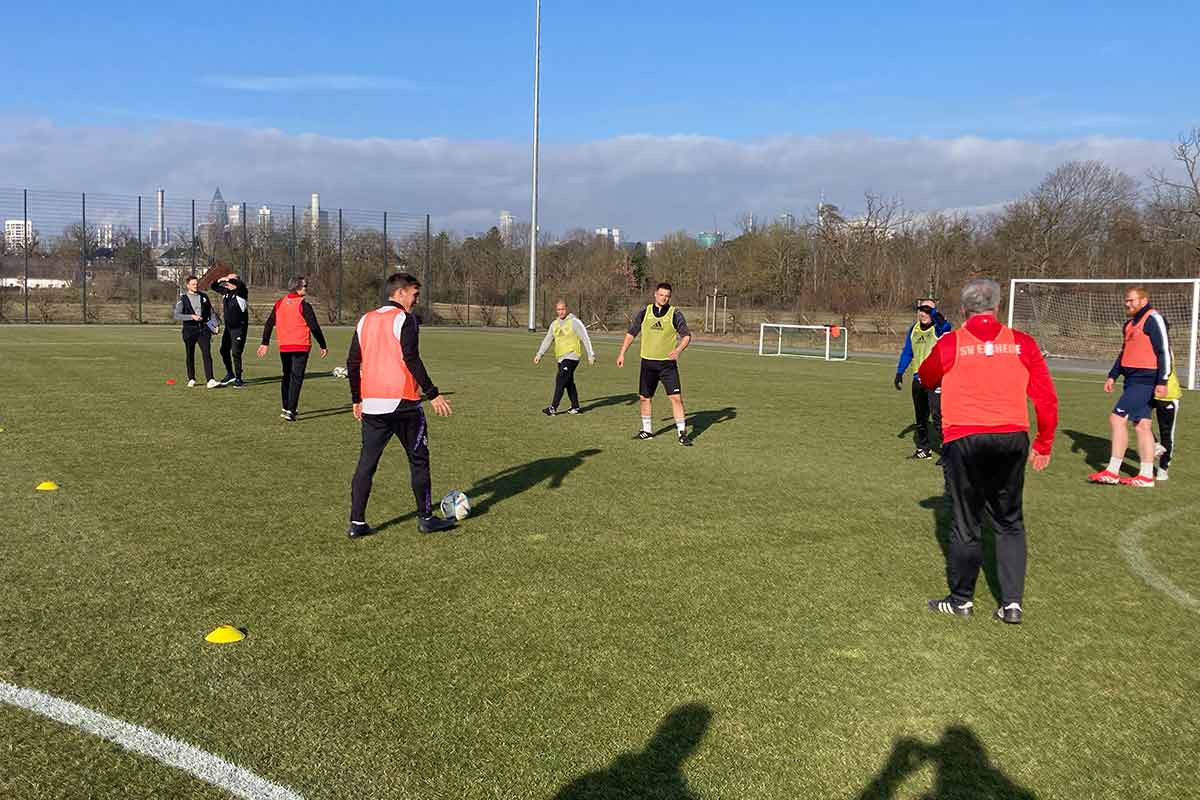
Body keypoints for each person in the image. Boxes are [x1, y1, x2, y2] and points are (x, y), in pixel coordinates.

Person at [917, 278, 1058, 625]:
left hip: (965, 437)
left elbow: (926, 376)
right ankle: (1011, 604)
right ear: (998, 308)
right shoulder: (1022, 343)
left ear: (965, 310)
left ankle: (962, 599)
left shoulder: (953, 343)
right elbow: (1046, 398)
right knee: (1010, 520)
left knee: (967, 520)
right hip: (1011, 437)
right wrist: (1044, 443)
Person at [346, 272, 455, 537]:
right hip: (404, 402)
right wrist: (433, 393)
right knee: (418, 460)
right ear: (401, 293)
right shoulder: (404, 319)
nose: (417, 299)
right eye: (415, 294)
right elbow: (411, 358)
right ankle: (426, 518)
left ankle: (357, 523)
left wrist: (357, 399)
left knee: (366, 463)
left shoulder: (365, 319)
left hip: (372, 404)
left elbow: (352, 362)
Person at [1087, 287, 1170, 487]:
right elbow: (1124, 352)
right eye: (1126, 300)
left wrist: (1163, 380)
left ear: (1143, 300)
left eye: (1131, 300)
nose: (1127, 304)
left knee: (1117, 418)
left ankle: (1113, 471)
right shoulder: (1129, 324)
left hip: (1146, 380)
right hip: (1131, 380)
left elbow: (1163, 351)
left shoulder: (1154, 319)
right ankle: (1146, 476)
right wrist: (1112, 376)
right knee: (1142, 426)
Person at [616, 282, 693, 446]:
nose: (664, 298)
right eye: (661, 295)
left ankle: (682, 433)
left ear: (669, 297)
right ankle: (647, 431)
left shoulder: (675, 314)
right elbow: (632, 333)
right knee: (644, 398)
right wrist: (622, 353)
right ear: (655, 294)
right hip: (648, 364)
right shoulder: (645, 312)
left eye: (667, 296)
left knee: (676, 399)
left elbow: (686, 336)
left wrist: (678, 351)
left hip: (667, 366)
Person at [257, 276, 328, 421]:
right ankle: (291, 410)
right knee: (296, 378)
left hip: (284, 346)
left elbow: (269, 323)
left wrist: (265, 343)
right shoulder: (303, 304)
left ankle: (286, 407)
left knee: (287, 375)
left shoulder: (280, 303)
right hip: (301, 346)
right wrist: (323, 344)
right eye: (305, 286)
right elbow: (314, 326)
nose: (306, 288)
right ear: (298, 287)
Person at [895, 297, 953, 459]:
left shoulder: (939, 328)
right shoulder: (914, 329)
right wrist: (900, 372)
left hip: (936, 380)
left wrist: (931, 311)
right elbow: (908, 352)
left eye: (928, 311)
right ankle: (924, 449)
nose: (923, 314)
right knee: (920, 417)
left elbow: (946, 325)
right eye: (921, 310)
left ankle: (948, 452)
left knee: (938, 418)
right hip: (918, 379)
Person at [534, 300, 596, 415]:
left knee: (561, 378)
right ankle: (575, 406)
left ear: (566, 309)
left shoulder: (574, 322)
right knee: (568, 382)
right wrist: (539, 354)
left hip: (572, 356)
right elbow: (548, 339)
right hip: (560, 357)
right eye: (558, 309)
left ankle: (553, 407)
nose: (561, 312)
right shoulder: (554, 324)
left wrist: (590, 354)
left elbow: (585, 338)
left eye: (562, 309)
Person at [172, 275, 218, 389]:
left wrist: (215, 324)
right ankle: (191, 378)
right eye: (193, 284)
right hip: (189, 331)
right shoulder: (183, 299)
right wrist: (191, 317)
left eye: (197, 284)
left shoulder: (204, 296)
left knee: (207, 353)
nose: (196, 286)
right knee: (190, 354)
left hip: (203, 330)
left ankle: (210, 380)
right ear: (188, 285)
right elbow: (177, 315)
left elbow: (211, 312)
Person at [211, 272, 250, 387]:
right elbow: (213, 286)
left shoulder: (241, 292)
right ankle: (230, 374)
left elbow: (240, 284)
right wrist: (220, 279)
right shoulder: (226, 292)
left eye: (231, 280)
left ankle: (238, 379)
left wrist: (229, 279)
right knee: (223, 350)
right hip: (229, 328)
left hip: (239, 327)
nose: (227, 282)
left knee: (236, 353)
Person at [1152, 362, 1181, 482]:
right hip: (1147, 391)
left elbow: (1166, 367)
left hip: (1168, 394)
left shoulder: (1163, 347)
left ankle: (1163, 469)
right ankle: (1154, 444)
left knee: (1166, 433)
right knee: (1135, 416)